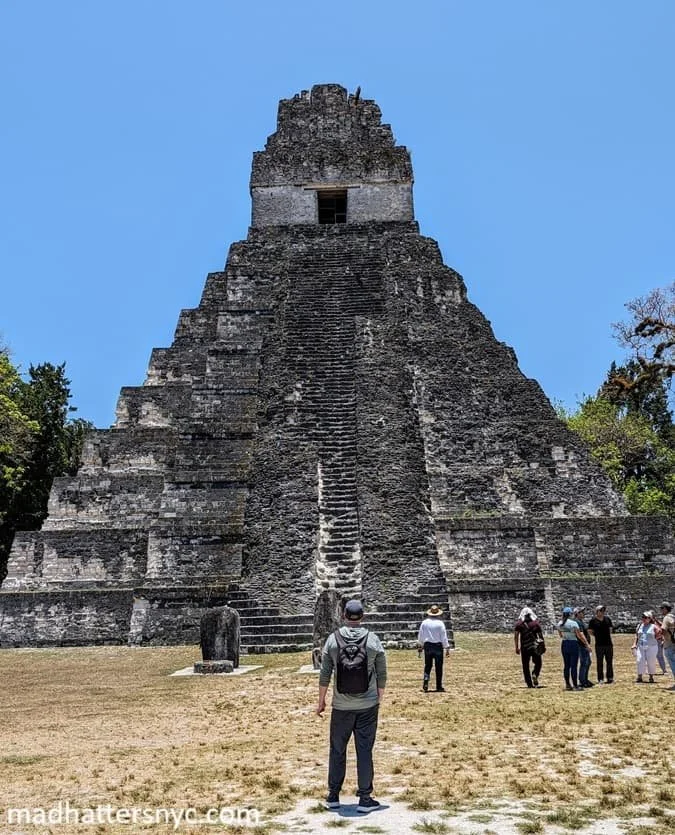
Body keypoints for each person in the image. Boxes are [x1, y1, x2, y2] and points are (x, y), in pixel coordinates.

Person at [317, 599, 387, 813]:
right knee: (364, 750)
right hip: (367, 705)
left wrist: (321, 701)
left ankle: (333, 794)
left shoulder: (332, 640)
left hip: (341, 706)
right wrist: (379, 698)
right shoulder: (372, 640)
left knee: (337, 749)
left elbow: (325, 673)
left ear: (343, 615)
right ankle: (365, 797)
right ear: (362, 617)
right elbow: (382, 673)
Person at [417, 604, 450, 692]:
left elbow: (421, 635)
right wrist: (446, 647)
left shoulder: (424, 623)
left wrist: (420, 645)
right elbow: (443, 637)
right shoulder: (440, 623)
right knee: (439, 667)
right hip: (438, 646)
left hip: (428, 646)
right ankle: (439, 686)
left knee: (428, 665)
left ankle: (426, 680)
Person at [558, 606, 591, 691]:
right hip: (573, 644)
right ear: (570, 614)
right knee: (574, 666)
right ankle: (575, 685)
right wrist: (587, 644)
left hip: (564, 643)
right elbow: (579, 636)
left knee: (566, 666)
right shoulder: (573, 623)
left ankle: (567, 684)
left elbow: (560, 635)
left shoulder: (560, 623)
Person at [513, 606, 544, 688]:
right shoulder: (536, 624)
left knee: (525, 665)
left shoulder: (519, 624)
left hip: (524, 647)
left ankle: (529, 683)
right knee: (538, 662)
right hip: (534, 646)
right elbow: (540, 636)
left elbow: (516, 636)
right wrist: (542, 646)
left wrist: (516, 647)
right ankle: (535, 673)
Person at [588, 604, 614, 684]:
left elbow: (610, 629)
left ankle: (610, 677)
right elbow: (590, 631)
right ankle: (600, 678)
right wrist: (597, 635)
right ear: (597, 612)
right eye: (601, 611)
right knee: (600, 662)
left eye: (603, 611)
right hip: (599, 644)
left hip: (608, 644)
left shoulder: (607, 619)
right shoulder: (593, 621)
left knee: (609, 661)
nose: (602, 612)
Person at [631, 611, 660, 683]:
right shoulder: (639, 626)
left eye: (645, 617)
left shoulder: (653, 626)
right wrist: (634, 644)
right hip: (640, 646)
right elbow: (637, 636)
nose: (643, 619)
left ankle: (651, 676)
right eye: (643, 617)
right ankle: (640, 676)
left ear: (649, 618)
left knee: (651, 661)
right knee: (639, 660)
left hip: (651, 646)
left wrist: (656, 638)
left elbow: (660, 633)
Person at [655, 601, 675, 690]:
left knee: (673, 664)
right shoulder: (673, 617)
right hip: (673, 642)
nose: (661, 610)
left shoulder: (666, 618)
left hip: (669, 644)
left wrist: (658, 636)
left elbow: (663, 629)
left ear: (666, 609)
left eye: (662, 608)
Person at [573, 607, 594, 688]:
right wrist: (587, 644)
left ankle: (585, 679)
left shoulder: (580, 621)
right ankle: (582, 681)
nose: (583, 613)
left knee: (588, 662)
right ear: (577, 614)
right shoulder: (577, 622)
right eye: (581, 612)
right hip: (582, 645)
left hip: (583, 645)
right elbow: (581, 634)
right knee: (584, 663)